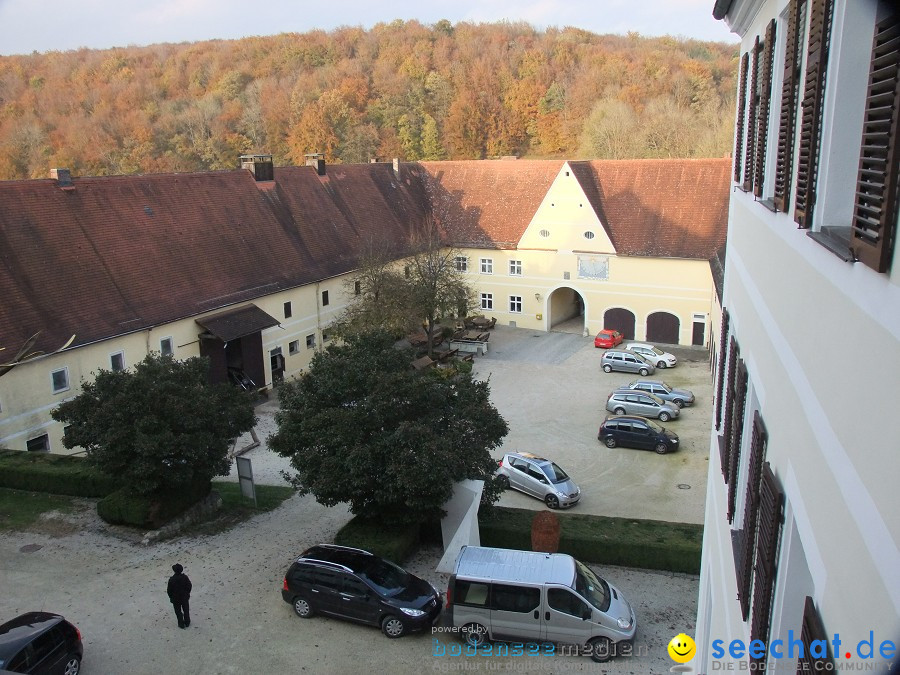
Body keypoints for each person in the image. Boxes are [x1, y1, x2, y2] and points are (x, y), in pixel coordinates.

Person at [167, 563, 192, 629]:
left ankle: (181, 624)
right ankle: (187, 622)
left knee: (178, 611)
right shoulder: (185, 577)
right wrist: (187, 593)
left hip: (176, 599)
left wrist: (171, 597)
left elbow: (169, 590)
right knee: (186, 610)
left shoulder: (171, 580)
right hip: (184, 597)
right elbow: (189, 586)